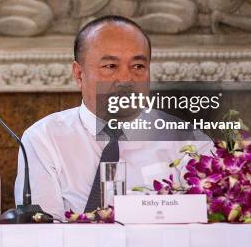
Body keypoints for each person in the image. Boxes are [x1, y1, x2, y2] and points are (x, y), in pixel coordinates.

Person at [14, 16, 212, 219]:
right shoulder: (44, 139)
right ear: (79, 74)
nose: (126, 79)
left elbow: (208, 226)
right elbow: (41, 233)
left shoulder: (189, 142)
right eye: (111, 66)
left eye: (138, 67)